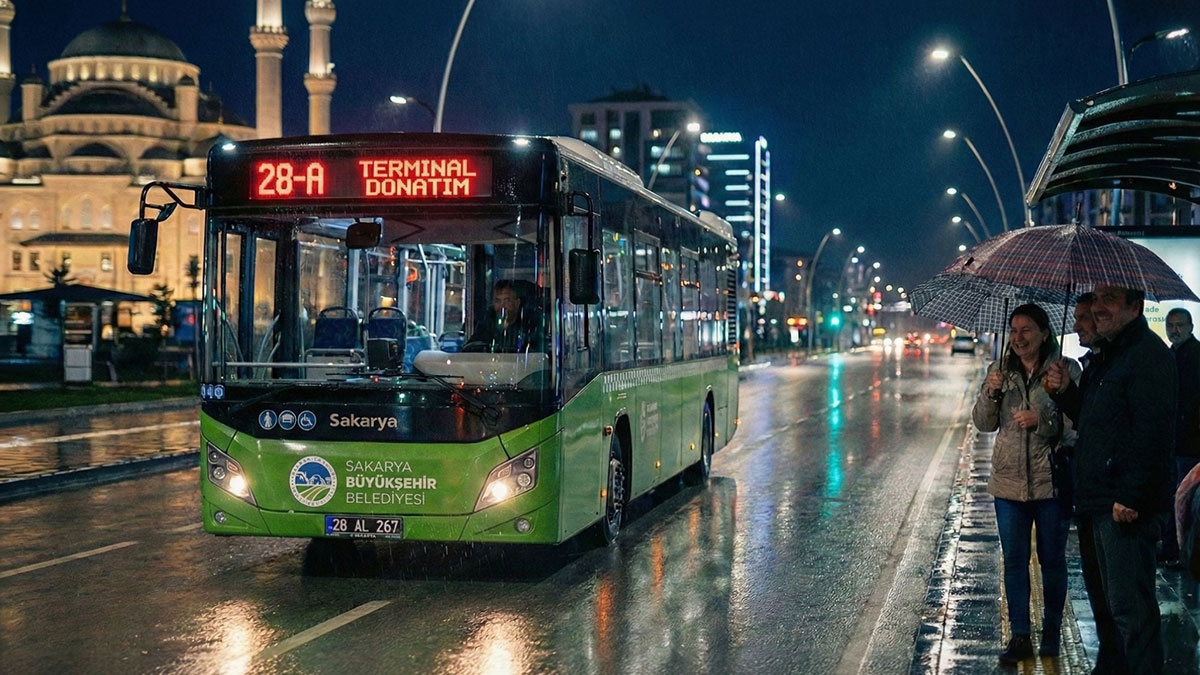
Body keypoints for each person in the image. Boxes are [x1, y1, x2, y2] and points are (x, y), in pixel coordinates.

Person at [1046, 286, 1177, 675]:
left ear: (1135, 307)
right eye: (1096, 300)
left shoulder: (1147, 356)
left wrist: (1130, 495)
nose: (1098, 308)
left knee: (1130, 612)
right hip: (1097, 499)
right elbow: (1094, 422)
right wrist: (1065, 392)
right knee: (1106, 609)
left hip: (1122, 505)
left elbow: (1152, 432)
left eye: (1109, 300)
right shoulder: (1109, 355)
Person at [973, 303, 1077, 666]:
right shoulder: (1000, 371)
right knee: (1014, 561)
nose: (1018, 338)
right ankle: (1019, 635)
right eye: (1014, 331)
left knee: (1052, 561)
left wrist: (1043, 421)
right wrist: (991, 392)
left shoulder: (1065, 370)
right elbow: (984, 424)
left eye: (1026, 330)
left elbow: (1077, 427)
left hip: (1051, 483)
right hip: (1008, 484)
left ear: (1044, 333)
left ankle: (1051, 633)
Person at [1162, 308, 1200, 565]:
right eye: (1170, 325)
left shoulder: (1195, 355)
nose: (1174, 330)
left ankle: (1181, 550)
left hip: (1190, 441)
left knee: (1183, 497)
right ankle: (1174, 548)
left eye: (1179, 325)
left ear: (1191, 327)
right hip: (1175, 439)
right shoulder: (1171, 355)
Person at [463, 279, 543, 353]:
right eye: (497, 301)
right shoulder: (486, 323)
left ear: (517, 303)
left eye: (507, 300)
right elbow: (470, 349)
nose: (502, 306)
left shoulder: (529, 325)